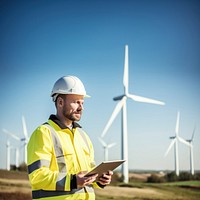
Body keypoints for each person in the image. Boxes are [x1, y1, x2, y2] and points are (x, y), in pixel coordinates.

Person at [27, 75, 113, 200]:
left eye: (82, 103)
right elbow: (37, 176)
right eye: (76, 102)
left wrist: (100, 179)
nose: (81, 107)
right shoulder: (44, 133)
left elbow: (88, 176)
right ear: (60, 102)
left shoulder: (83, 136)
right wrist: (73, 181)